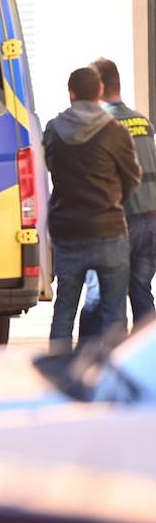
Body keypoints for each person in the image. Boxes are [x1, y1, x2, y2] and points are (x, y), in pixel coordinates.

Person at [44, 66, 141, 352]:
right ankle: (112, 377)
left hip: (67, 231)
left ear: (71, 93)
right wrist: (113, 204)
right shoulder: (116, 131)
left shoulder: (53, 130)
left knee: (64, 310)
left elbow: (51, 168)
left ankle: (58, 373)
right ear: (100, 92)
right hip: (109, 229)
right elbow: (132, 178)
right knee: (114, 313)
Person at [78, 57, 156, 337]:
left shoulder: (101, 127)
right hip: (150, 222)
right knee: (141, 294)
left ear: (98, 88)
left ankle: (80, 368)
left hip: (118, 226)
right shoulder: (143, 122)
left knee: (99, 299)